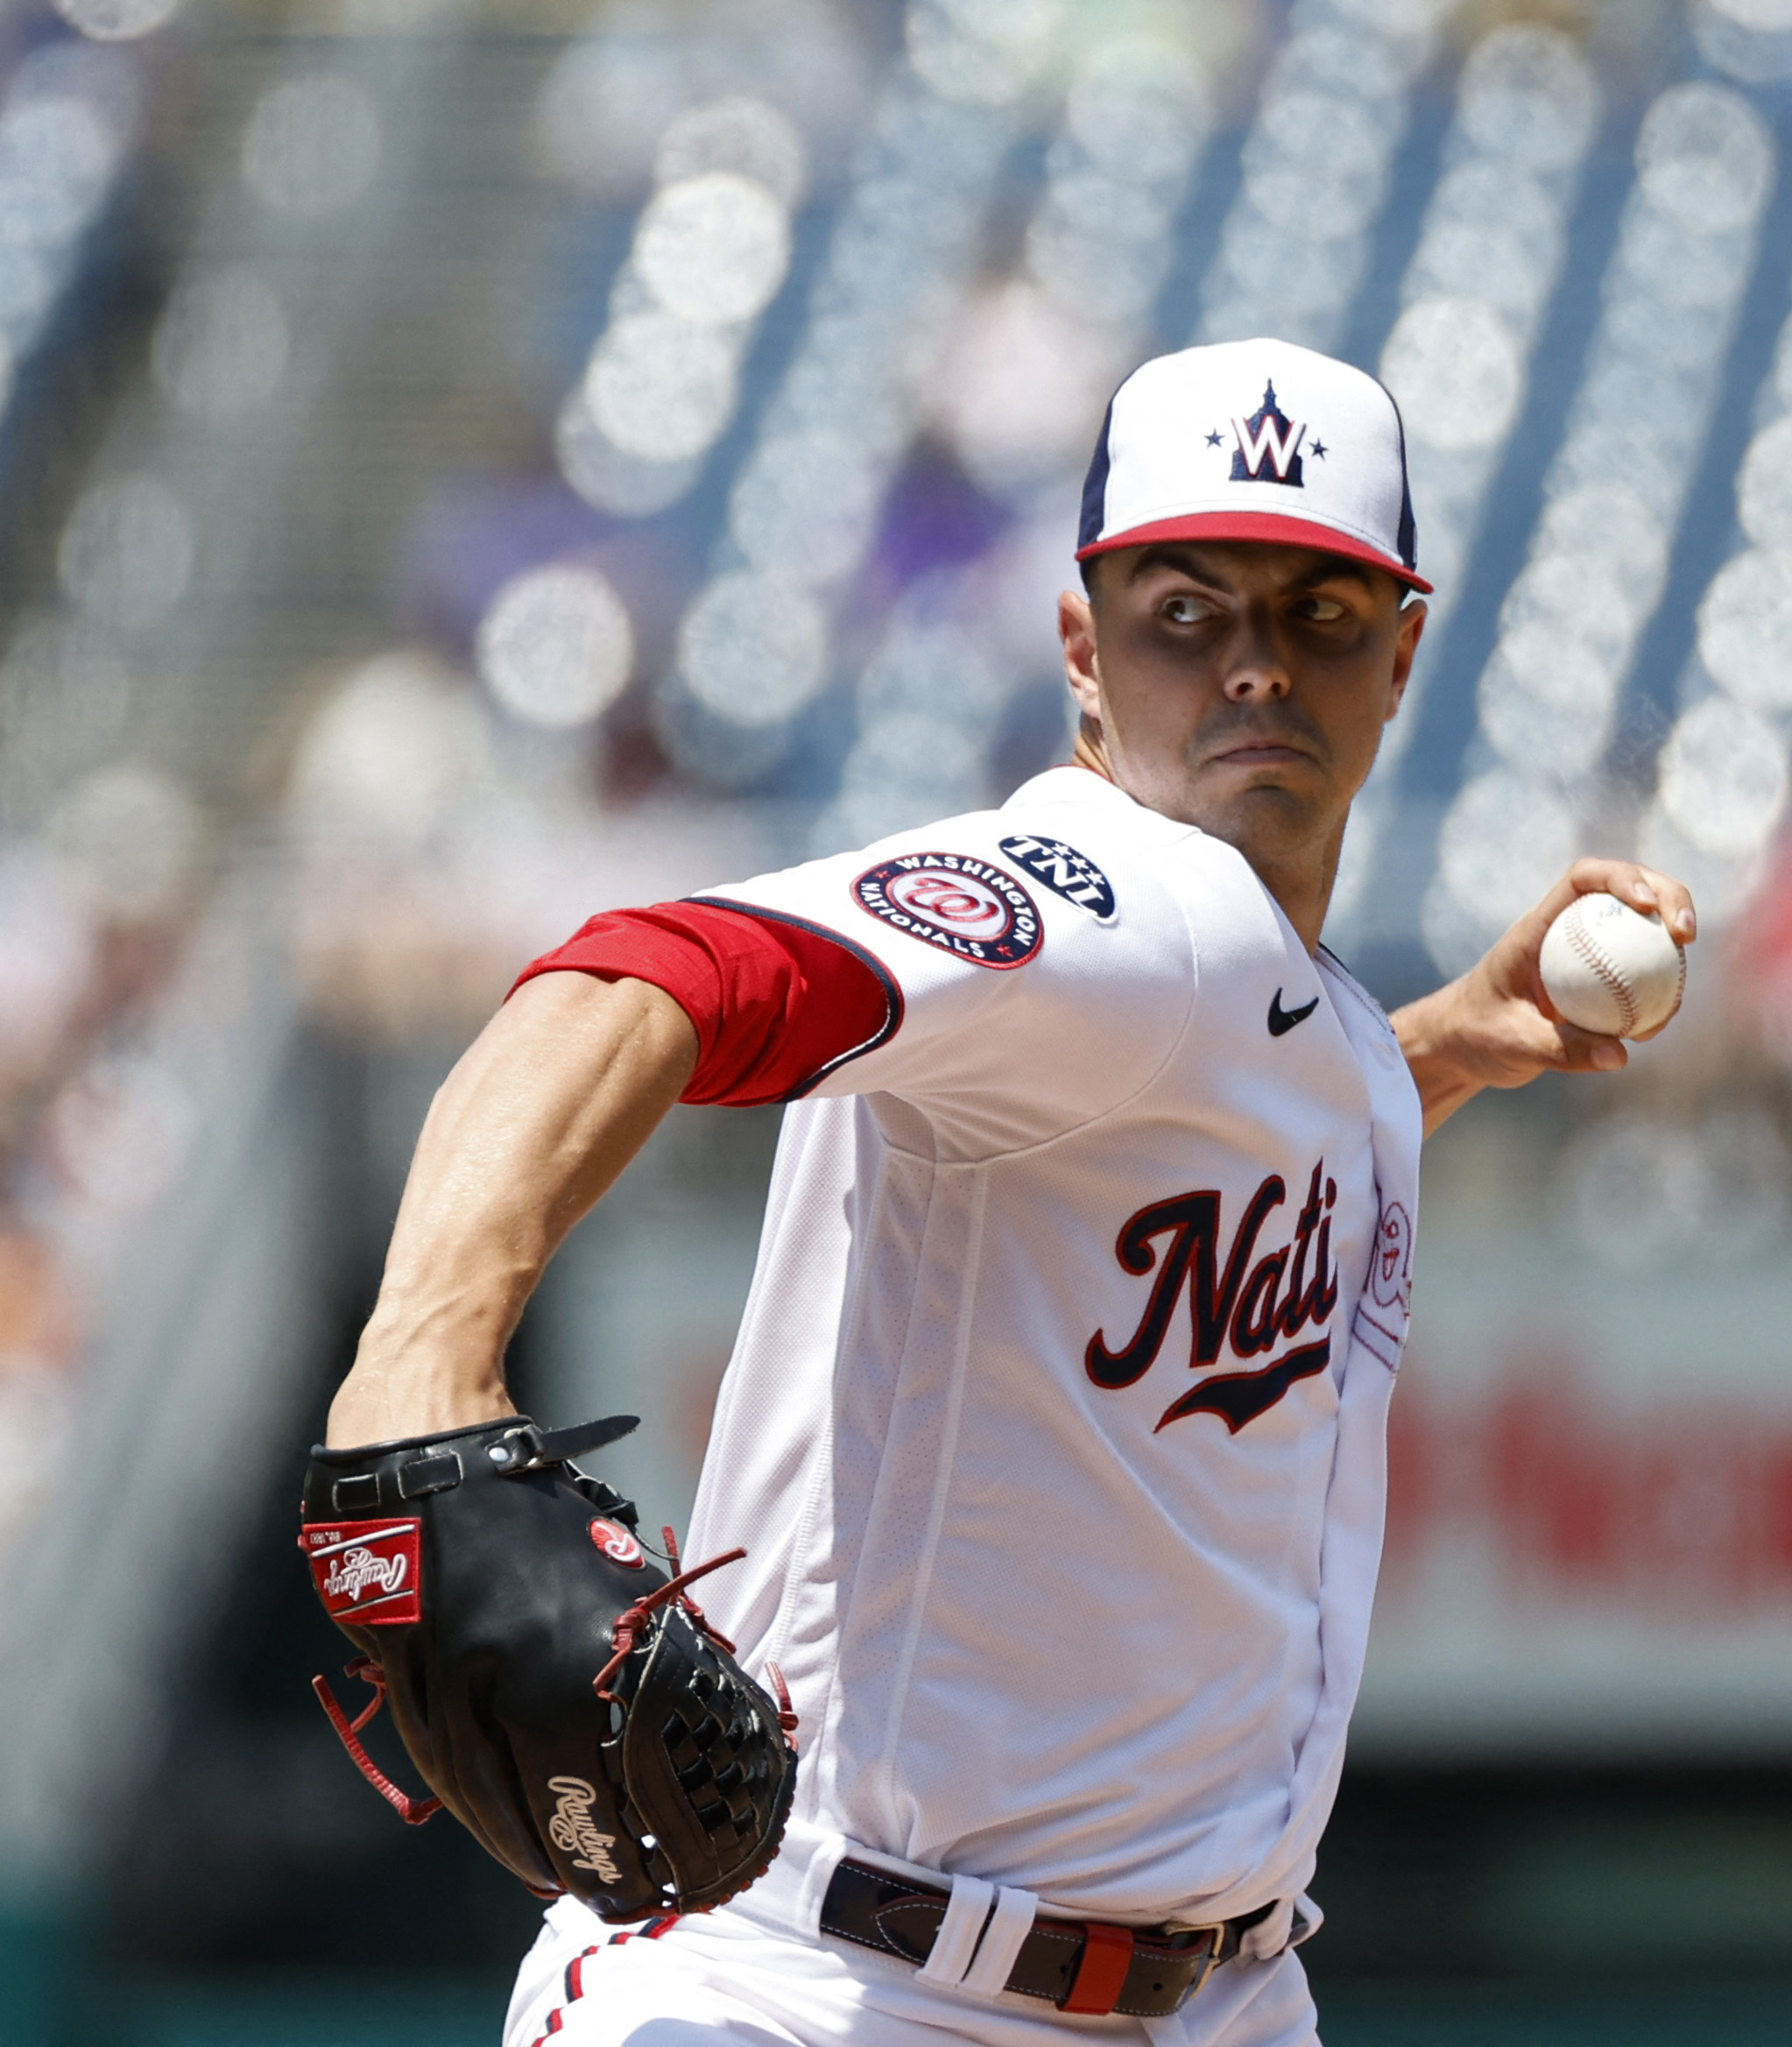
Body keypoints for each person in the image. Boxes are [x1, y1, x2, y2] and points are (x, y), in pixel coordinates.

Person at [320, 337, 1695, 2047]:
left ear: (1400, 653)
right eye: (1186, 612)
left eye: (1318, 614)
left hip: (1218, 1998)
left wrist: (1437, 1047)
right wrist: (421, 1360)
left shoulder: (1301, 1018)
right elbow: (637, 977)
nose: (1256, 665)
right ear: (1082, 652)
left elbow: (1174, 1132)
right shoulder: (1099, 900)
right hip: (828, 1991)